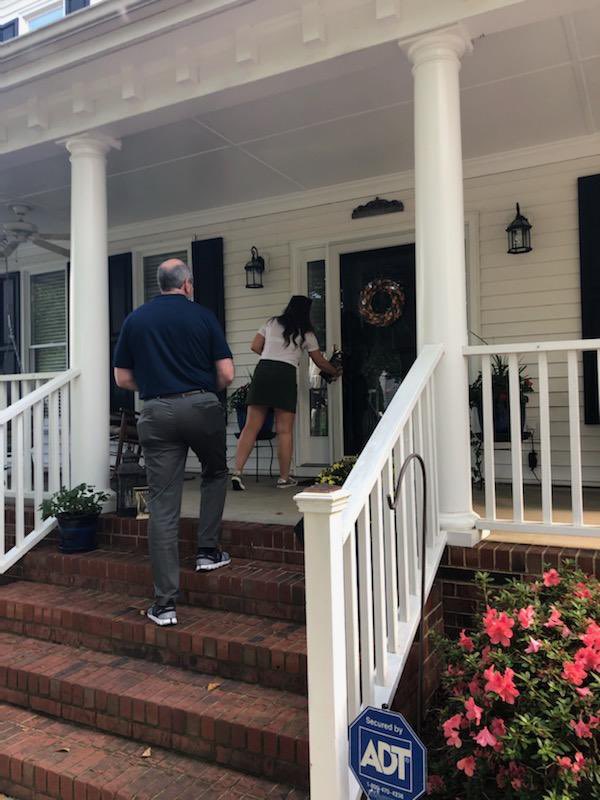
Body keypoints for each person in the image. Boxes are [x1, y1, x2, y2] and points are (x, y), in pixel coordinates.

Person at [113, 258, 234, 627]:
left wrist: (157, 387)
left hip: (156, 411)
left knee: (163, 505)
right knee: (216, 472)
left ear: (161, 284)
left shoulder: (136, 319)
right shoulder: (203, 316)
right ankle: (207, 551)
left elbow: (122, 378)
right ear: (187, 284)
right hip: (201, 405)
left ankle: (164, 605)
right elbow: (226, 373)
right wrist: (201, 392)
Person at [232, 295, 340, 491]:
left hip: (263, 370)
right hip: (285, 374)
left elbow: (255, 346)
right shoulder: (306, 333)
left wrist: (271, 356)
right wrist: (335, 371)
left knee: (250, 427)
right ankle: (283, 478)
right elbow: (319, 361)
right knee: (284, 430)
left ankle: (237, 472)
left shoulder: (271, 322)